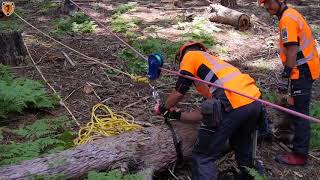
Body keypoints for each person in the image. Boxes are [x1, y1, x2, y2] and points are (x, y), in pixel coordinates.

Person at [155, 42, 262, 180]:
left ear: (182, 55)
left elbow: (179, 92)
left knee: (203, 156)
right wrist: (174, 114)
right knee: (241, 142)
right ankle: (252, 176)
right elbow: (205, 114)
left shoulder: (190, 56)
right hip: (254, 101)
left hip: (233, 104)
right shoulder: (216, 72)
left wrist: (163, 108)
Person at [259, 0, 319, 165]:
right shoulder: (289, 15)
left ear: (280, 1)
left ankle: (299, 155)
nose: (266, 7)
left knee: (300, 113)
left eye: (269, 2)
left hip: (302, 70)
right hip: (302, 69)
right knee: (294, 107)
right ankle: (291, 139)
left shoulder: (287, 19)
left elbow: (292, 49)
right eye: (264, 3)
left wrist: (286, 75)